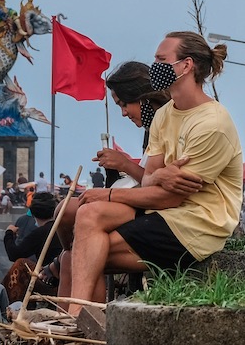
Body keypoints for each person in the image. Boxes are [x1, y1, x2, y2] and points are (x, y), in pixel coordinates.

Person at [68, 32, 243, 317]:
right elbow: (150, 179)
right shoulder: (165, 115)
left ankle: (80, 320)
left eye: (161, 60)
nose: (154, 66)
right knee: (88, 216)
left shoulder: (213, 124)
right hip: (164, 213)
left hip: (196, 225)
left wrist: (110, 192)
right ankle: (77, 318)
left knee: (86, 253)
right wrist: (159, 177)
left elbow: (169, 199)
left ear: (186, 66)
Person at [46, 61, 171, 302]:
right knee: (65, 220)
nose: (124, 113)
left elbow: (153, 182)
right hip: (135, 200)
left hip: (147, 206)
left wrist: (124, 165)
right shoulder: (153, 126)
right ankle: (67, 265)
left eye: (124, 104)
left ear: (141, 97)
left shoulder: (165, 124)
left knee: (70, 213)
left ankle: (75, 306)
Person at [3, 192, 62, 302]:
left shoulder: (40, 233)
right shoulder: (62, 228)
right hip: (65, 278)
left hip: (51, 281)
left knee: (20, 264)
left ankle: (10, 303)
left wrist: (9, 234)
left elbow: (14, 254)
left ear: (33, 213)